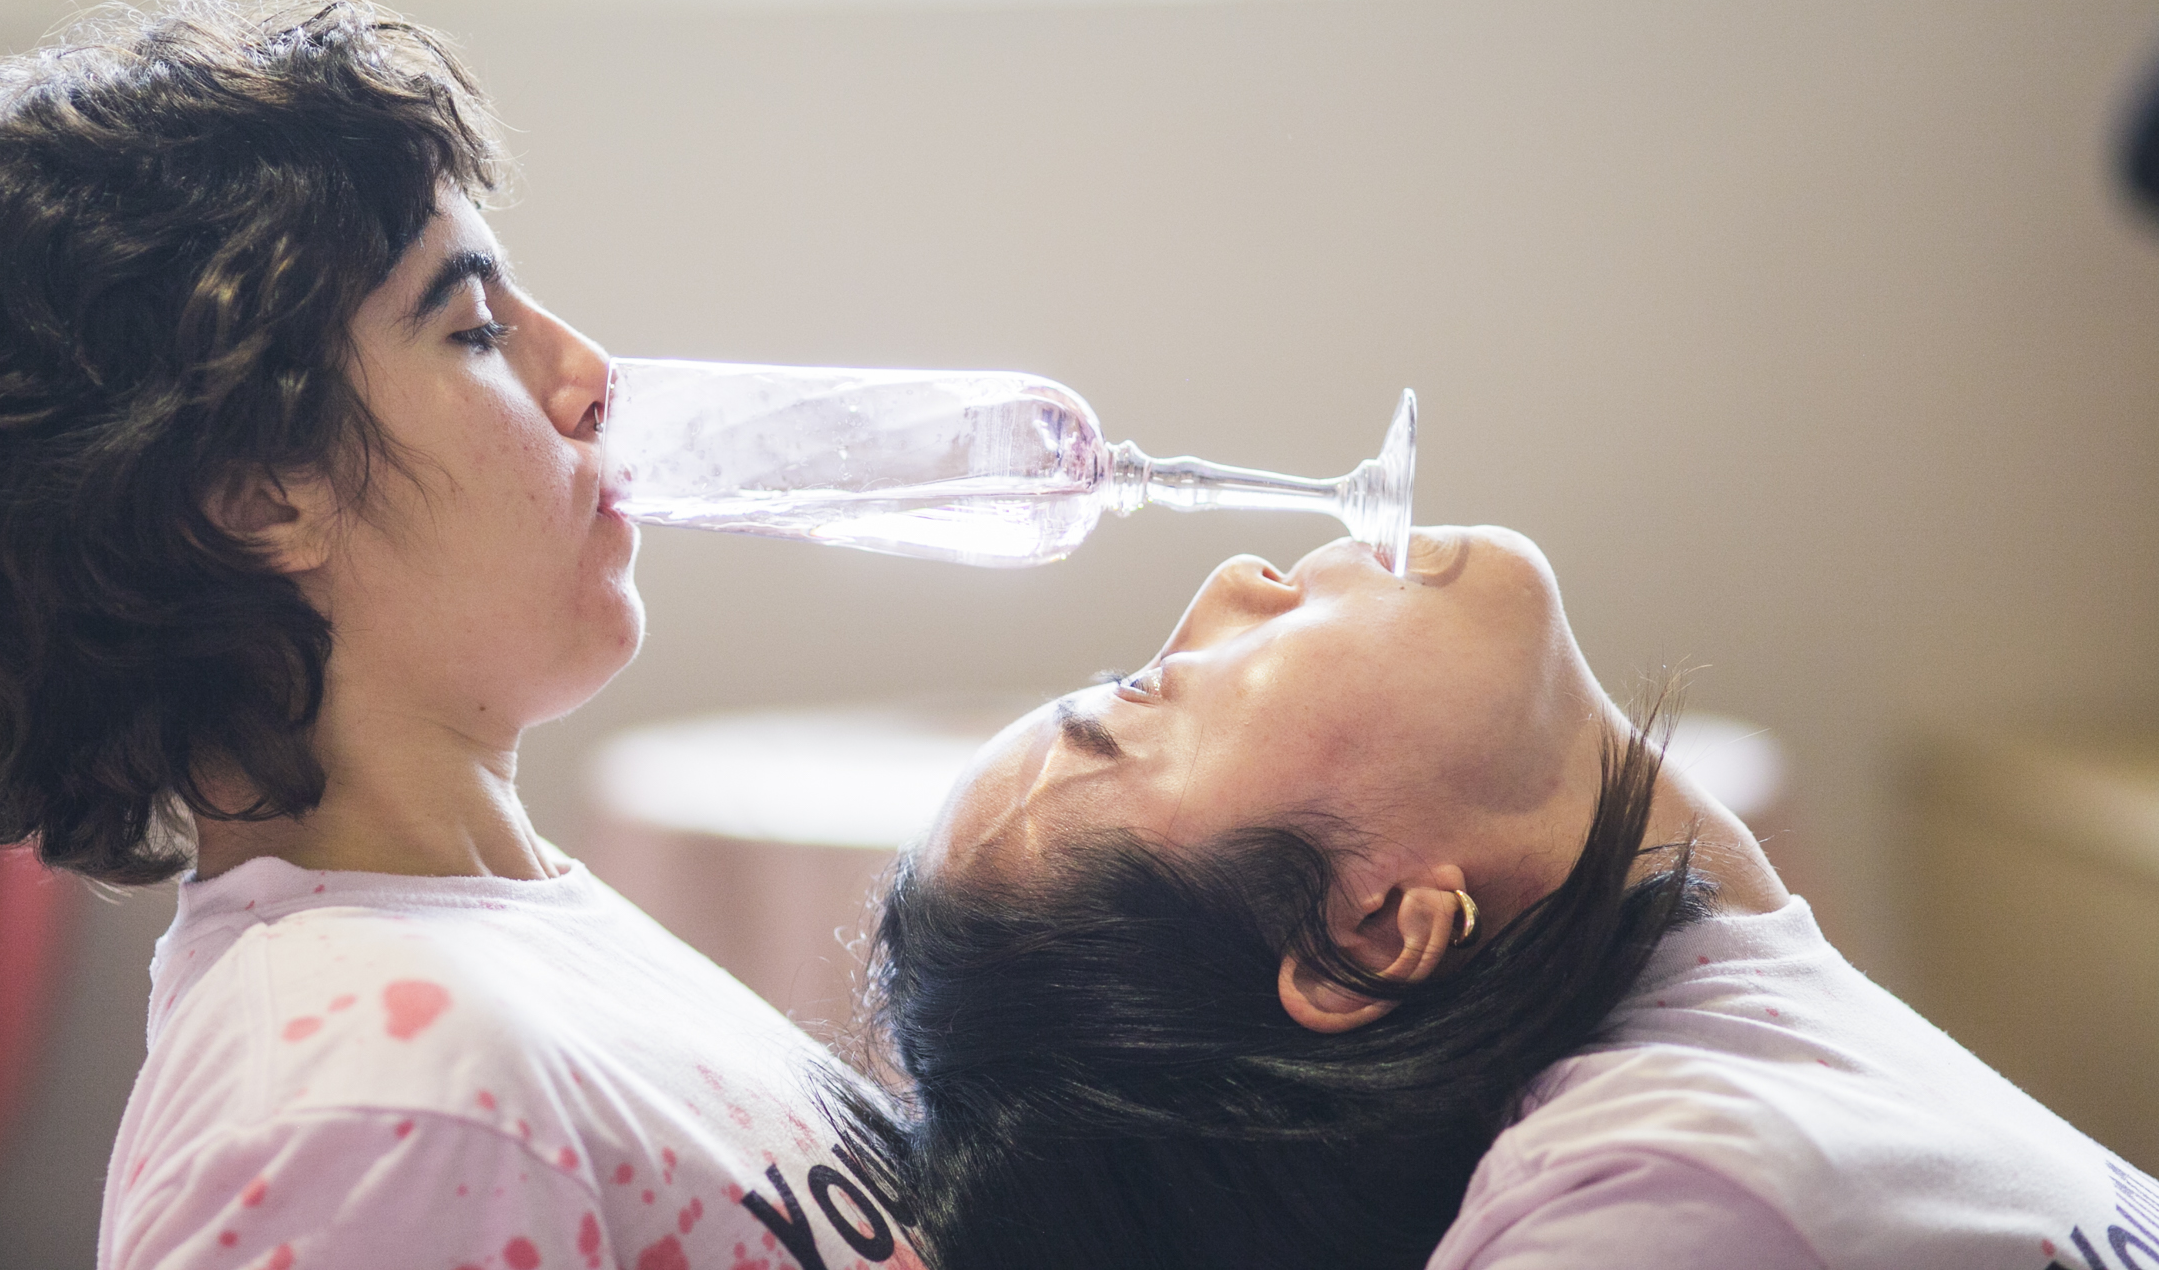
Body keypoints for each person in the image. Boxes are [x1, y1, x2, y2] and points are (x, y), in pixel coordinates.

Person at [0, 0, 910, 1270]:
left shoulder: (491, 954)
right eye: (474, 329)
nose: (591, 378)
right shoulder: (368, 1099)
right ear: (261, 497)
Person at [842, 526, 2159, 1270]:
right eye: (1146, 692)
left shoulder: (1748, 1029)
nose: (1234, 580)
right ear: (1368, 931)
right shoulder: (1655, 1187)